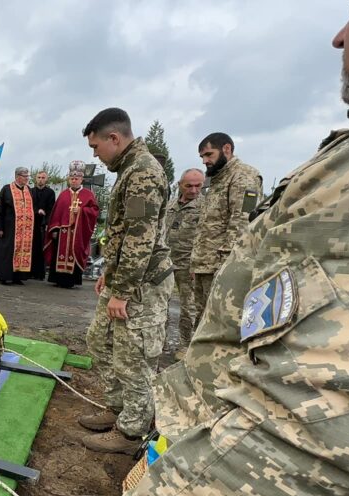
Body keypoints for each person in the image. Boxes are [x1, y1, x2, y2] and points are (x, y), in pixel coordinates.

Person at [86, 3, 349, 496]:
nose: (338, 37)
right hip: (229, 447)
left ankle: (133, 421)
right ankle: (131, 418)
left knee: (136, 351)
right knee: (132, 348)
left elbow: (341, 408)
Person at [78, 107, 173, 455]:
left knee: (133, 356)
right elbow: (122, 232)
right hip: (123, 280)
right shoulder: (130, 169)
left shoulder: (144, 172)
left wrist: (123, 290)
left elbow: (140, 237)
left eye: (96, 147)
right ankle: (117, 408)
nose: (95, 155)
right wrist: (108, 273)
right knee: (99, 341)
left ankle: (131, 430)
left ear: (114, 139)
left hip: (141, 286)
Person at [189, 132, 262, 318]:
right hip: (205, 264)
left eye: (209, 154)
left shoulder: (243, 177)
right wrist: (196, 262)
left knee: (220, 319)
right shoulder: (216, 179)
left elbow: (241, 223)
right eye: (202, 157)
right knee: (203, 317)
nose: (205, 161)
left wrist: (226, 267)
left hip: (222, 267)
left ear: (226, 149)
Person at [165, 168, 203, 352]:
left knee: (189, 308)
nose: (194, 190)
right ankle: (160, 341)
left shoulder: (205, 207)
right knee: (161, 304)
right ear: (180, 185)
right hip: (167, 262)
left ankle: (186, 346)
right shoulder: (171, 205)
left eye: (198, 186)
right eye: (189, 186)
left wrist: (199, 264)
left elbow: (206, 237)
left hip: (190, 264)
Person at [44, 161, 100, 289]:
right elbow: (56, 213)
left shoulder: (88, 195)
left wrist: (81, 211)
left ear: (81, 179)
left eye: (77, 178)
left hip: (78, 232)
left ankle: (71, 280)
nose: (74, 181)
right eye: (72, 178)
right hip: (62, 231)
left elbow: (94, 211)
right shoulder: (63, 194)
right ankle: (57, 279)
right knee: (59, 254)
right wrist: (54, 229)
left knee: (75, 252)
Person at [0, 167, 35, 285]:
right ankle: (4, 276)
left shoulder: (28, 190)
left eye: (27, 176)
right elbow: (0, 209)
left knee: (21, 250)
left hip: (25, 229)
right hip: (9, 227)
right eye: (24, 176)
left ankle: (18, 276)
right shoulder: (7, 189)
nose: (27, 179)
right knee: (7, 251)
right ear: (17, 176)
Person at [29, 170, 56, 280]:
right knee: (31, 247)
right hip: (31, 223)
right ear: (35, 178)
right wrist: (37, 210)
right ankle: (29, 272)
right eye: (39, 177)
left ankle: (39, 273)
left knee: (41, 248)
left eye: (43, 177)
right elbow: (29, 205)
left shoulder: (50, 192)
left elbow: (51, 209)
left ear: (46, 179)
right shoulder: (30, 191)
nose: (41, 179)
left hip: (43, 224)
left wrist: (47, 222)